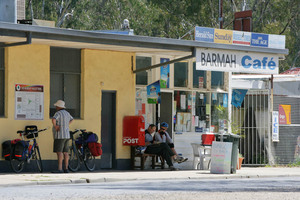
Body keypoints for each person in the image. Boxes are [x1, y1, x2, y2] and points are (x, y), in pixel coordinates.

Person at [51, 100, 74, 173]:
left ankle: (60, 168)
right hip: (67, 135)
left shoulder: (58, 113)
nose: (56, 107)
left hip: (59, 135)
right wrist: (66, 125)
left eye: (56, 106)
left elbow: (53, 119)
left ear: (58, 106)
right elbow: (72, 119)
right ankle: (66, 168)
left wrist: (56, 126)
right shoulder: (67, 113)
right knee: (66, 152)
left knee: (59, 152)